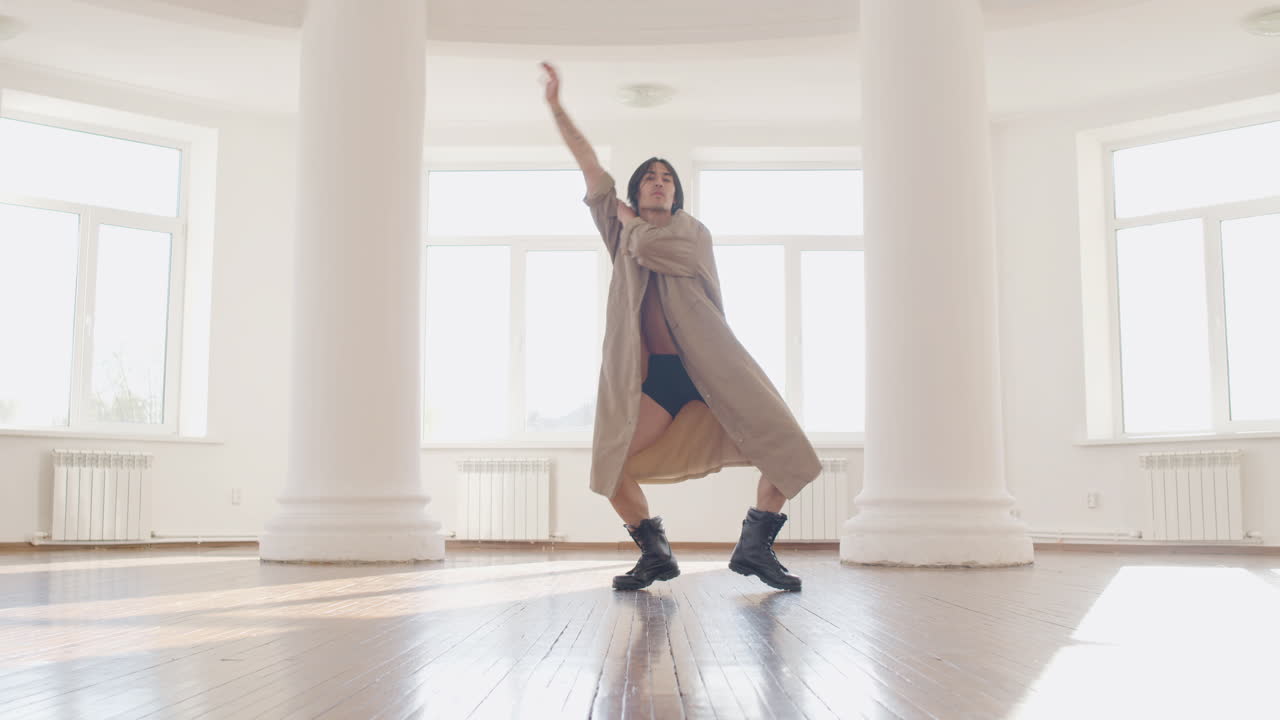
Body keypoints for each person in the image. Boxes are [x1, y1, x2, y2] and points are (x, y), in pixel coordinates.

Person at [541, 62, 822, 592]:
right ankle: (655, 553)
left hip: (714, 370)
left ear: (677, 196)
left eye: (667, 178)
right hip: (659, 378)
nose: (659, 182)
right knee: (611, 469)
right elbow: (590, 168)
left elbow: (652, 246)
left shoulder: (691, 233)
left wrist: (630, 224)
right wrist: (557, 108)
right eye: (650, 176)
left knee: (787, 449)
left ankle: (755, 547)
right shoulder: (619, 227)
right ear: (635, 189)